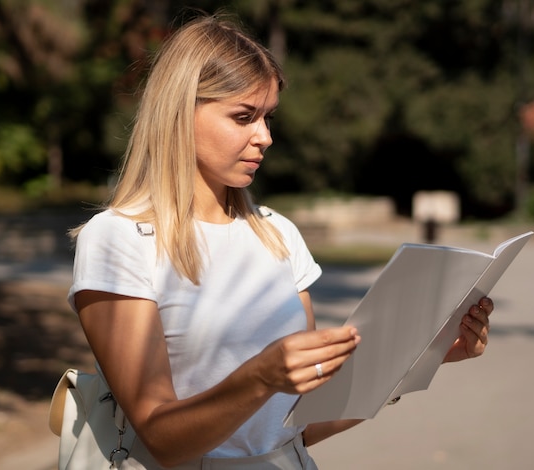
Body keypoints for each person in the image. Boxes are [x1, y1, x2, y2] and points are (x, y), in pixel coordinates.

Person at [67, 12, 494, 470]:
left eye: (268, 117)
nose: (265, 137)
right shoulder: (118, 239)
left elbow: (300, 425)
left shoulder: (276, 232)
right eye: (244, 116)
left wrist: (418, 360)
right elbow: (161, 437)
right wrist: (260, 377)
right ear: (178, 111)